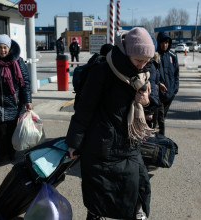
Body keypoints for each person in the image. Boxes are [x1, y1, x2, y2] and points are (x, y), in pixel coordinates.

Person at [66, 27, 155, 220]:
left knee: (136, 189)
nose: (142, 66)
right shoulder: (102, 72)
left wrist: (146, 101)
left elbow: (150, 109)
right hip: (101, 147)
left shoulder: (143, 74)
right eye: (139, 60)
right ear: (127, 53)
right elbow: (84, 109)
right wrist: (74, 142)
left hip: (130, 144)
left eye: (146, 61)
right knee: (99, 196)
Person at [0, 34, 32, 166]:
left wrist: (28, 101)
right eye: (0, 47)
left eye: (5, 47)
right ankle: (2, 154)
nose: (2, 50)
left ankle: (11, 152)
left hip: (14, 102)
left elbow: (25, 82)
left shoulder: (18, 61)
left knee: (11, 130)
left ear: (9, 48)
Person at [156, 31, 179, 135]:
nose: (164, 45)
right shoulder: (155, 55)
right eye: (162, 42)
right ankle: (161, 139)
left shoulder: (173, 56)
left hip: (170, 94)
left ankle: (157, 136)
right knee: (160, 118)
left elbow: (176, 73)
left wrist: (175, 89)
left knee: (162, 117)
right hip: (159, 93)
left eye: (166, 42)